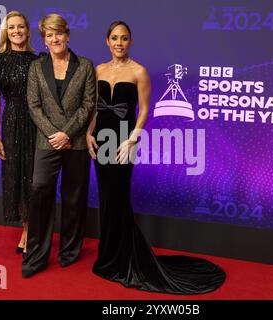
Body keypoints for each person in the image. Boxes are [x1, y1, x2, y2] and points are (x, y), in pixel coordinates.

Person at [86, 21, 226, 294]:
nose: (119, 43)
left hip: (124, 139)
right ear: (107, 41)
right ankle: (108, 257)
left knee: (119, 195)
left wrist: (132, 139)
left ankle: (124, 257)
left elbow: (144, 110)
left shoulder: (139, 72)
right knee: (105, 196)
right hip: (101, 137)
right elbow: (94, 107)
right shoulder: (98, 70)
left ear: (131, 41)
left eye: (124, 38)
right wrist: (89, 133)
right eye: (114, 38)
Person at [22, 13, 96, 278]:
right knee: (40, 190)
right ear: (44, 40)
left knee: (74, 197)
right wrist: (55, 133)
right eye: (49, 35)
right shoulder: (36, 67)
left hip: (75, 143)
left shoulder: (85, 66)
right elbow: (34, 105)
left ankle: (69, 251)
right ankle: (36, 255)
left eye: (58, 33)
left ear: (68, 35)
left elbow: (89, 104)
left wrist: (68, 133)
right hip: (47, 140)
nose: (55, 39)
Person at [0, 11, 37, 254]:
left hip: (36, 123)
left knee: (34, 179)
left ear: (27, 30)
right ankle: (26, 229)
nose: (16, 31)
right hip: (11, 124)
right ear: (5, 31)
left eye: (21, 27)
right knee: (17, 177)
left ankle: (29, 232)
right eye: (11, 27)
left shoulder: (39, 61)